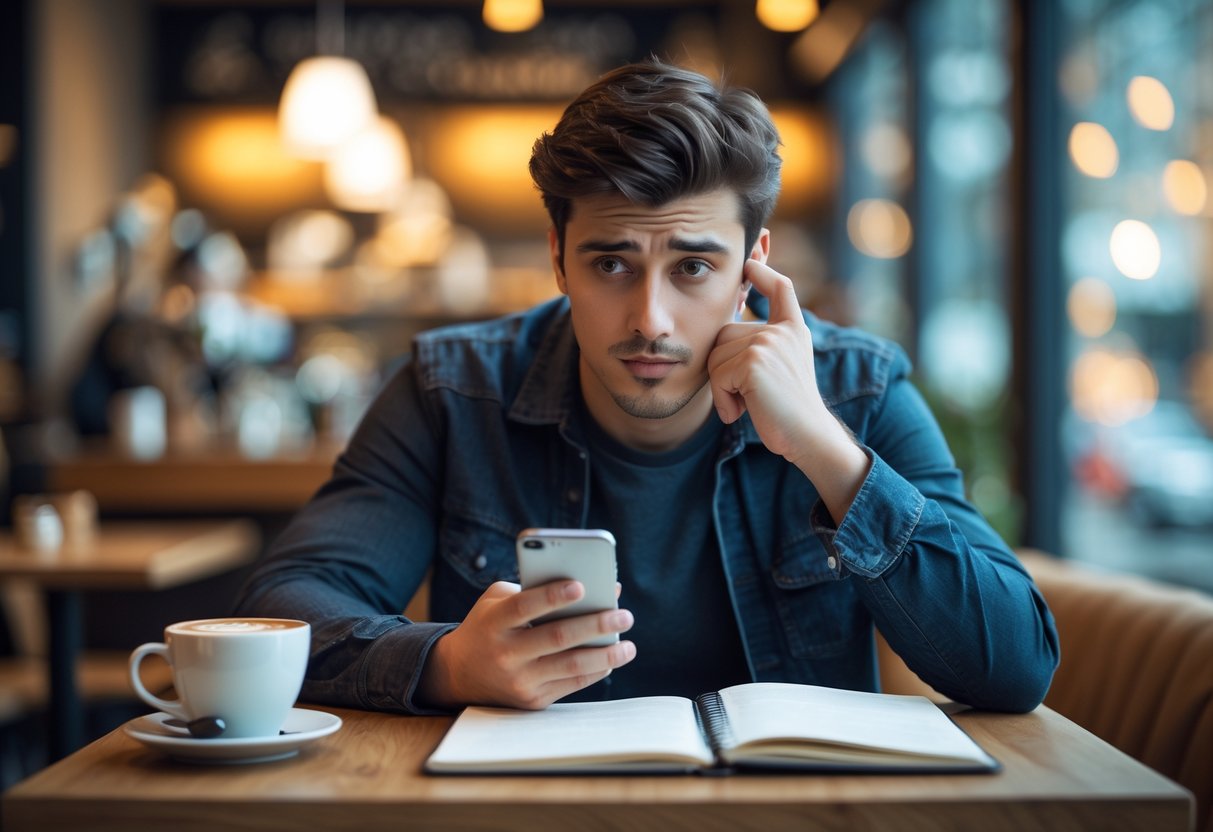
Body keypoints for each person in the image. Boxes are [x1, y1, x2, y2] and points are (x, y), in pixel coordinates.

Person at [234, 59, 1059, 715]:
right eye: (610, 263)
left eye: (693, 265)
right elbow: (281, 610)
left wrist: (820, 445)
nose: (651, 318)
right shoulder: (453, 390)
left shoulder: (856, 390)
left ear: (752, 265)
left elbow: (1015, 664)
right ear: (558, 257)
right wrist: (447, 663)